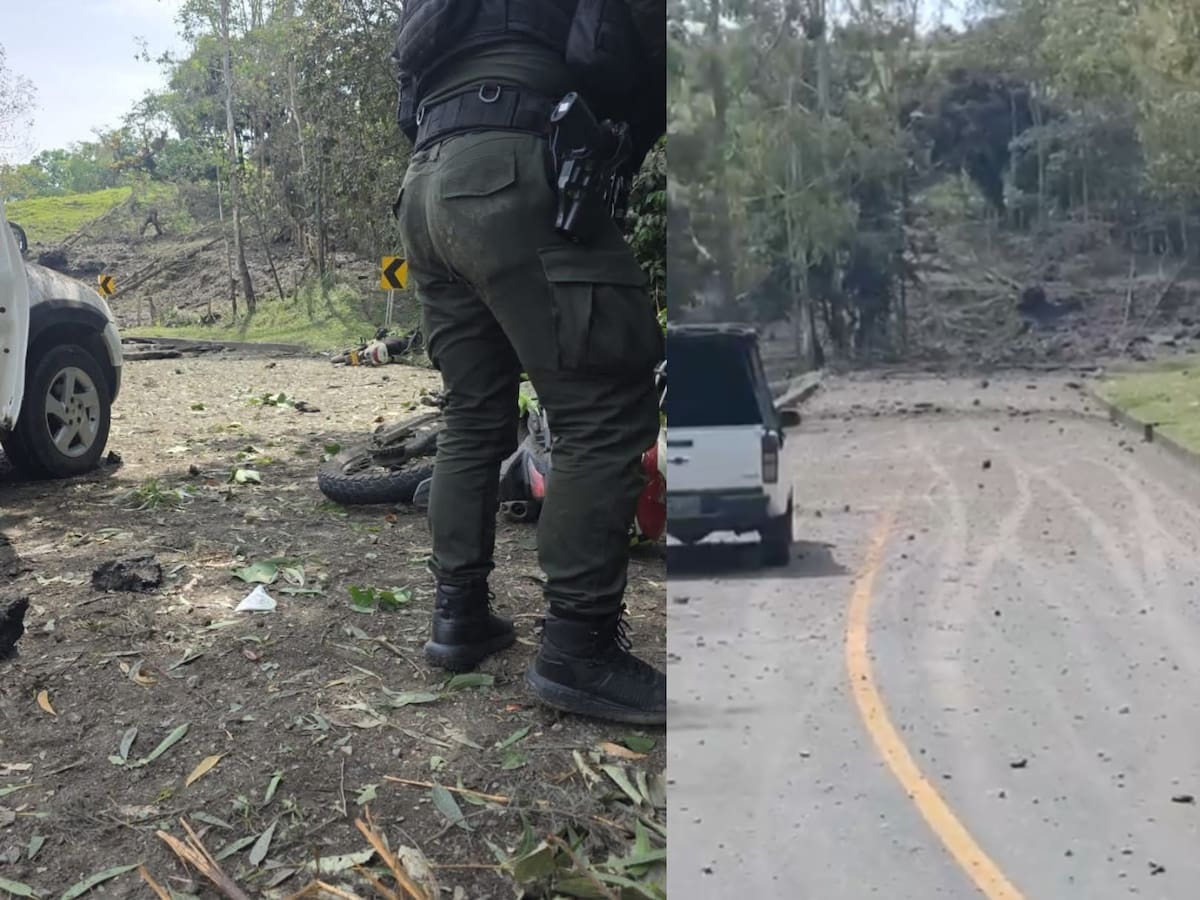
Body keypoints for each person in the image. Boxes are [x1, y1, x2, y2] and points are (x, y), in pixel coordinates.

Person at [390, 0, 666, 725]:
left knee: (472, 410)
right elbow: (631, 43)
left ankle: (458, 617)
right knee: (603, 409)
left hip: (425, 184)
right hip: (515, 159)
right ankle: (579, 649)